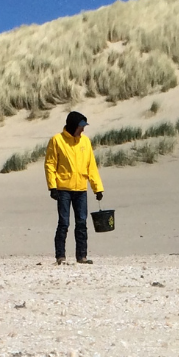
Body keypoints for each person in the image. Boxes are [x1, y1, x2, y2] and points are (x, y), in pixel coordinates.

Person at [43, 111, 105, 265]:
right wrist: (53, 187)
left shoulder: (85, 142)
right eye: (81, 126)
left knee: (82, 223)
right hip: (63, 189)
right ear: (73, 126)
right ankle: (60, 256)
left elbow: (91, 166)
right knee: (64, 222)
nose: (83, 129)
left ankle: (82, 256)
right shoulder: (57, 140)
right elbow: (50, 164)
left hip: (81, 189)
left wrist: (97, 188)